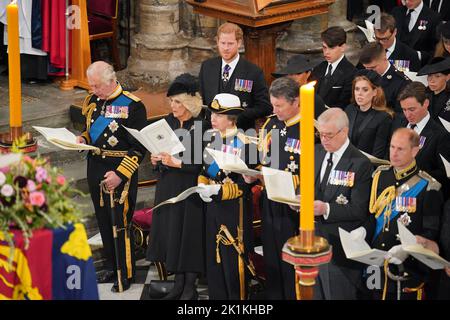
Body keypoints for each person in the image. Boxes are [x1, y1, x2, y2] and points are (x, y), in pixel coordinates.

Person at [77, 61, 148, 292]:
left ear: (111, 81)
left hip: (119, 172)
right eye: (92, 86)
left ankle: (125, 273)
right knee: (104, 222)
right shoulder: (93, 100)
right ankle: (110, 266)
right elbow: (90, 130)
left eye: (97, 86)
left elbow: (139, 149)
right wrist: (83, 140)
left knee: (120, 223)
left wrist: (120, 174)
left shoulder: (134, 106)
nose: (93, 90)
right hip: (95, 167)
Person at [146, 73, 206, 300]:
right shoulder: (168, 123)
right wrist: (156, 160)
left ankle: (190, 287)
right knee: (172, 234)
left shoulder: (201, 126)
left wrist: (176, 162)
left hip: (189, 188)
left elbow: (200, 162)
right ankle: (178, 284)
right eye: (171, 101)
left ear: (190, 103)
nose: (172, 106)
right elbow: (159, 149)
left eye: (178, 101)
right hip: (167, 184)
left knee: (187, 235)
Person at [365, 128, 443, 300]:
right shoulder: (380, 176)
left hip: (407, 268)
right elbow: (372, 216)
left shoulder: (429, 186)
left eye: (400, 149)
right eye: (392, 147)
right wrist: (362, 233)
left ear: (415, 151)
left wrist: (408, 248)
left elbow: (430, 233)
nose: (394, 153)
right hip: (376, 263)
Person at [196, 93, 257, 300]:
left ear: (232, 117)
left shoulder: (245, 143)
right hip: (212, 206)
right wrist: (202, 186)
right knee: (214, 260)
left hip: (234, 209)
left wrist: (220, 191)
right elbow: (204, 171)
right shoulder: (211, 138)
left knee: (233, 260)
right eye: (212, 113)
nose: (213, 118)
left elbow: (247, 184)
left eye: (219, 114)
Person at [313, 108, 373, 300]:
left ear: (344, 131)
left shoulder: (359, 162)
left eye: (329, 135)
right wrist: (298, 199)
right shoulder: (316, 152)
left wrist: (326, 208)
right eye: (321, 134)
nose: (324, 140)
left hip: (339, 248)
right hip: (312, 241)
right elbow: (307, 185)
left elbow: (359, 209)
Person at [251, 77, 302, 299]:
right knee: (272, 256)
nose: (275, 110)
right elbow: (263, 158)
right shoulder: (270, 125)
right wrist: (254, 173)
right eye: (273, 105)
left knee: (291, 259)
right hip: (270, 198)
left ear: (296, 102)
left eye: (279, 105)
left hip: (293, 204)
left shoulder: (311, 129)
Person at [198, 22, 272, 131]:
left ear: (239, 43)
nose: (226, 48)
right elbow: (201, 101)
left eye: (230, 43)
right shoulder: (207, 67)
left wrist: (238, 114)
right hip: (211, 133)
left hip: (241, 132)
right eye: (223, 43)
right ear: (217, 42)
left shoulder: (253, 72)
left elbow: (265, 107)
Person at [392, 81, 450, 190]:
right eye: (404, 109)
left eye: (412, 109)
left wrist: (413, 176)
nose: (407, 114)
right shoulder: (398, 123)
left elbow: (443, 175)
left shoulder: (441, 135)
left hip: (421, 194)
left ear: (425, 103)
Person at [345, 69, 393, 159]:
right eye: (357, 89)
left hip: (367, 166)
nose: (359, 93)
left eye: (365, 90)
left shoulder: (383, 118)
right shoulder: (349, 110)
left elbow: (378, 154)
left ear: (374, 92)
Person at [311, 26, 356, 110]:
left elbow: (344, 104)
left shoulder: (351, 73)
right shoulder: (319, 67)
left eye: (331, 48)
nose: (326, 52)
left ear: (342, 47)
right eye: (324, 47)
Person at [359, 41, 411, 114]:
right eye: (366, 68)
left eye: (373, 67)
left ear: (384, 58)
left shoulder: (402, 83)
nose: (369, 71)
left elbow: (400, 115)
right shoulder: (362, 75)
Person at [392, 0, 441, 64]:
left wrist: (418, 55)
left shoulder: (433, 18)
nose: (407, 2)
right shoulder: (396, 12)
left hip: (418, 67)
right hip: (394, 64)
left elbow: (436, 50)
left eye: (411, 0)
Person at [416, 56, 450, 125]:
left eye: (437, 76)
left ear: (448, 77)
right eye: (429, 75)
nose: (432, 80)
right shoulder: (423, 94)